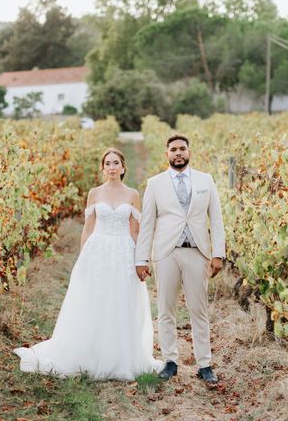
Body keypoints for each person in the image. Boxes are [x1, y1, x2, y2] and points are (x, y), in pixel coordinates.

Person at [13, 148, 162, 380]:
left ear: (123, 167)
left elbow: (135, 230)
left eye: (116, 163)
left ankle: (119, 356)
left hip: (123, 251)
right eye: (108, 163)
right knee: (95, 298)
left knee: (121, 299)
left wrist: (141, 258)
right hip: (98, 250)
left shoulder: (132, 194)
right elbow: (88, 227)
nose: (112, 167)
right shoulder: (94, 193)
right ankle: (89, 353)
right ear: (103, 168)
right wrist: (84, 256)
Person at [135, 134, 225, 384]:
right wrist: (141, 258)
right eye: (173, 149)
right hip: (166, 252)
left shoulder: (206, 180)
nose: (178, 153)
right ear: (167, 154)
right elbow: (147, 224)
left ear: (189, 152)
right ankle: (170, 361)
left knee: (199, 309)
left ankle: (205, 364)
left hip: (197, 252)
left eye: (182, 149)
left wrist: (218, 253)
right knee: (165, 309)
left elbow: (216, 219)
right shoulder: (155, 184)